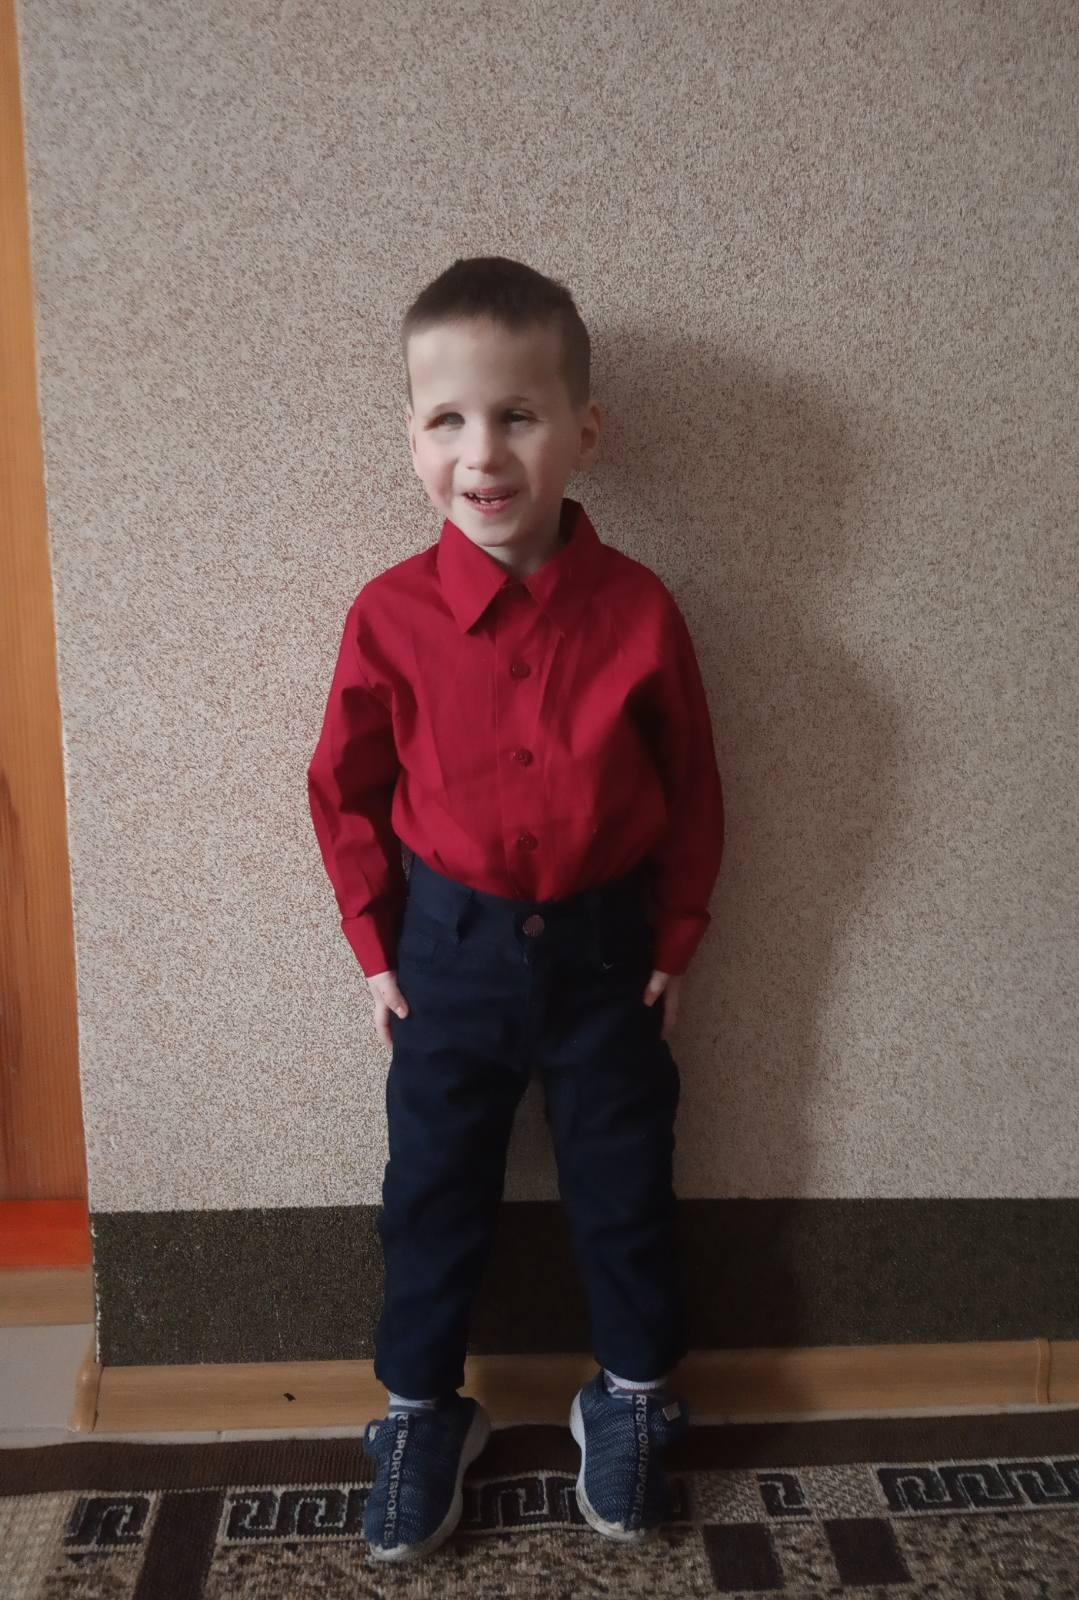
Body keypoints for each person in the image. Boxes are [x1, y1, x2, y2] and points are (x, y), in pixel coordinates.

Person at [306, 255, 724, 1564]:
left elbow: (694, 787)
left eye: (518, 415)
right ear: (411, 435)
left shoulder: (641, 612)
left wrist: (676, 938)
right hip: (448, 954)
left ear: (584, 430)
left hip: (608, 957)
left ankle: (633, 1398)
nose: (482, 453)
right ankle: (421, 1413)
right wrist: (375, 947)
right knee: (431, 1192)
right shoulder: (389, 617)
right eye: (448, 419)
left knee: (623, 1185)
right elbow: (342, 790)